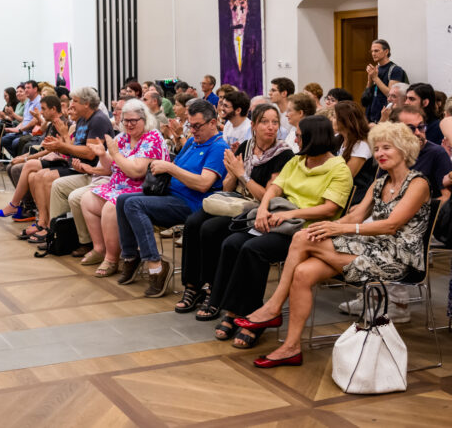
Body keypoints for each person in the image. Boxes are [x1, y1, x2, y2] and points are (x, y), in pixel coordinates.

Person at [237, 122, 430, 369]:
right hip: (371, 248)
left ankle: (273, 307)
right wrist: (329, 226)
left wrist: (338, 228)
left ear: (404, 149)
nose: (379, 153)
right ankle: (291, 348)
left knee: (301, 237)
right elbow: (355, 216)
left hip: (399, 259)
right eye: (377, 148)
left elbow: (391, 225)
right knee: (303, 271)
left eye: (387, 148)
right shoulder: (380, 183)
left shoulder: (418, 183)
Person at [205, 116, 351, 349]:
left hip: (307, 231)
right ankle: (232, 309)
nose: (295, 139)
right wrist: (263, 209)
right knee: (232, 242)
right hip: (279, 220)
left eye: (300, 136)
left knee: (254, 249)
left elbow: (329, 209)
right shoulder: (298, 161)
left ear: (313, 138)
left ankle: (251, 316)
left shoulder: (339, 168)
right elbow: (274, 188)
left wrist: (289, 214)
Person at [174, 103, 293, 315]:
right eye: (265, 122)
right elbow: (228, 187)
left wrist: (241, 174)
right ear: (254, 125)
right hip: (236, 201)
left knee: (210, 229)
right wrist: (231, 172)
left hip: (257, 208)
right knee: (193, 222)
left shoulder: (283, 154)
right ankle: (192, 285)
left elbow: (268, 196)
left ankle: (213, 290)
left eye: (275, 122)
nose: (271, 127)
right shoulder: (247, 146)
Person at [341, 105, 452, 321]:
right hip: (391, 220)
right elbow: (380, 192)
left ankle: (390, 300)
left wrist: (412, 207)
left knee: (378, 228)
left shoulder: (435, 153)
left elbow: (445, 197)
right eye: (411, 128)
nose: (418, 132)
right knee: (365, 222)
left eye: (421, 126)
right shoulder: (387, 157)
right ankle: (372, 294)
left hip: (419, 225)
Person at [115, 99, 228, 298]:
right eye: (190, 125)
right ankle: (131, 256)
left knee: (133, 204)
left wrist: (170, 168)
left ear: (213, 123)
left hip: (192, 204)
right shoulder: (192, 142)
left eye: (197, 126)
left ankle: (156, 266)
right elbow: (178, 165)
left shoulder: (219, 147)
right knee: (123, 199)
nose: (192, 131)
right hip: (171, 195)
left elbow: (203, 184)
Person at [75, 99, 168, 277]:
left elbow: (137, 171)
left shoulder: (152, 138)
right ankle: (100, 248)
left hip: (143, 189)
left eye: (134, 120)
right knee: (87, 199)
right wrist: (103, 155)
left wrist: (115, 153)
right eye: (126, 120)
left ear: (144, 119)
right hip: (118, 186)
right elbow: (109, 168)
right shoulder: (122, 138)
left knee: (111, 206)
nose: (129, 124)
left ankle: (112, 258)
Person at [22, 87, 114, 245]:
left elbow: (89, 154)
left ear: (86, 103)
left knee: (46, 177)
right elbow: (75, 148)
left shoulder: (98, 120)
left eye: (75, 101)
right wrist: (61, 142)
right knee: (37, 176)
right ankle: (44, 222)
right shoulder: (83, 119)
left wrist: (61, 145)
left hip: (92, 171)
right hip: (77, 166)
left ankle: (53, 228)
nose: (71, 104)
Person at [332, 101, 374, 205]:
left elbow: (347, 176)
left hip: (353, 197)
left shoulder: (362, 145)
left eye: (334, 117)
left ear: (346, 121)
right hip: (337, 190)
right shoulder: (338, 138)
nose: (332, 120)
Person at [364, 39, 408, 123]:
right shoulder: (376, 69)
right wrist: (370, 80)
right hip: (372, 115)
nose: (373, 54)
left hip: (386, 115)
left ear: (386, 51)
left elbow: (390, 94)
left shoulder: (395, 70)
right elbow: (366, 97)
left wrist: (375, 78)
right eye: (372, 51)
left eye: (376, 51)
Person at [1, 80, 41, 157]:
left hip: (33, 132)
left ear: (35, 89)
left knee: (16, 142)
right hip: (23, 130)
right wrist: (15, 129)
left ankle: (19, 159)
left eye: (28, 88)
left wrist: (20, 129)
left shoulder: (39, 102)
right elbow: (24, 120)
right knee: (4, 140)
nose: (26, 90)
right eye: (25, 88)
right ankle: (16, 158)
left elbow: (34, 121)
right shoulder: (28, 103)